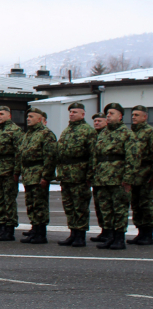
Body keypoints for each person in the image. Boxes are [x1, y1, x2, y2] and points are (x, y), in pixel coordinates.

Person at [90, 103, 140, 250]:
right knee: (106, 209)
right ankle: (109, 236)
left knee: (119, 209)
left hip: (118, 179)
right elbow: (96, 156)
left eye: (112, 113)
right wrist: (94, 174)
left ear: (120, 116)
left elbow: (133, 158)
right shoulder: (103, 133)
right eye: (107, 114)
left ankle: (119, 238)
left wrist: (128, 179)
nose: (108, 116)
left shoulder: (127, 134)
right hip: (102, 178)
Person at [55, 102, 96, 247]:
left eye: (75, 112)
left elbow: (93, 155)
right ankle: (73, 233)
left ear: (83, 114)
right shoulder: (67, 131)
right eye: (71, 112)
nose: (72, 114)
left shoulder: (88, 131)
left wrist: (90, 175)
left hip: (80, 175)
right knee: (69, 206)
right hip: (66, 175)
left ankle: (80, 235)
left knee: (80, 206)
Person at [18, 108, 57, 244]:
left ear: (40, 119)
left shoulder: (46, 134)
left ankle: (41, 233)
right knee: (31, 204)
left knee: (40, 204)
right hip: (29, 174)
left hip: (38, 173)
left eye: (31, 116)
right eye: (27, 116)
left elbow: (50, 157)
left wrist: (46, 176)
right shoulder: (28, 134)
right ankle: (34, 229)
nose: (28, 118)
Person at [0, 106, 22, 241]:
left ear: (9, 116)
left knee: (8, 201)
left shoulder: (15, 131)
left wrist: (16, 171)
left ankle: (9, 229)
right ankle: (1, 225)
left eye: (1, 114)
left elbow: (19, 153)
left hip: (8, 171)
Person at [127, 105, 153, 245]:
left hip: (146, 174)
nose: (133, 117)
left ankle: (148, 233)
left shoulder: (149, 132)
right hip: (134, 175)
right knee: (136, 204)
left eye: (137, 115)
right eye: (133, 115)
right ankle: (140, 231)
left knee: (146, 204)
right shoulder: (131, 133)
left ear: (145, 117)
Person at [89, 112, 109, 242]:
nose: (96, 123)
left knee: (107, 206)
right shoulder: (93, 136)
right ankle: (104, 230)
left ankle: (109, 231)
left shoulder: (108, 135)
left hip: (107, 176)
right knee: (99, 205)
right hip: (96, 175)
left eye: (99, 121)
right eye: (95, 121)